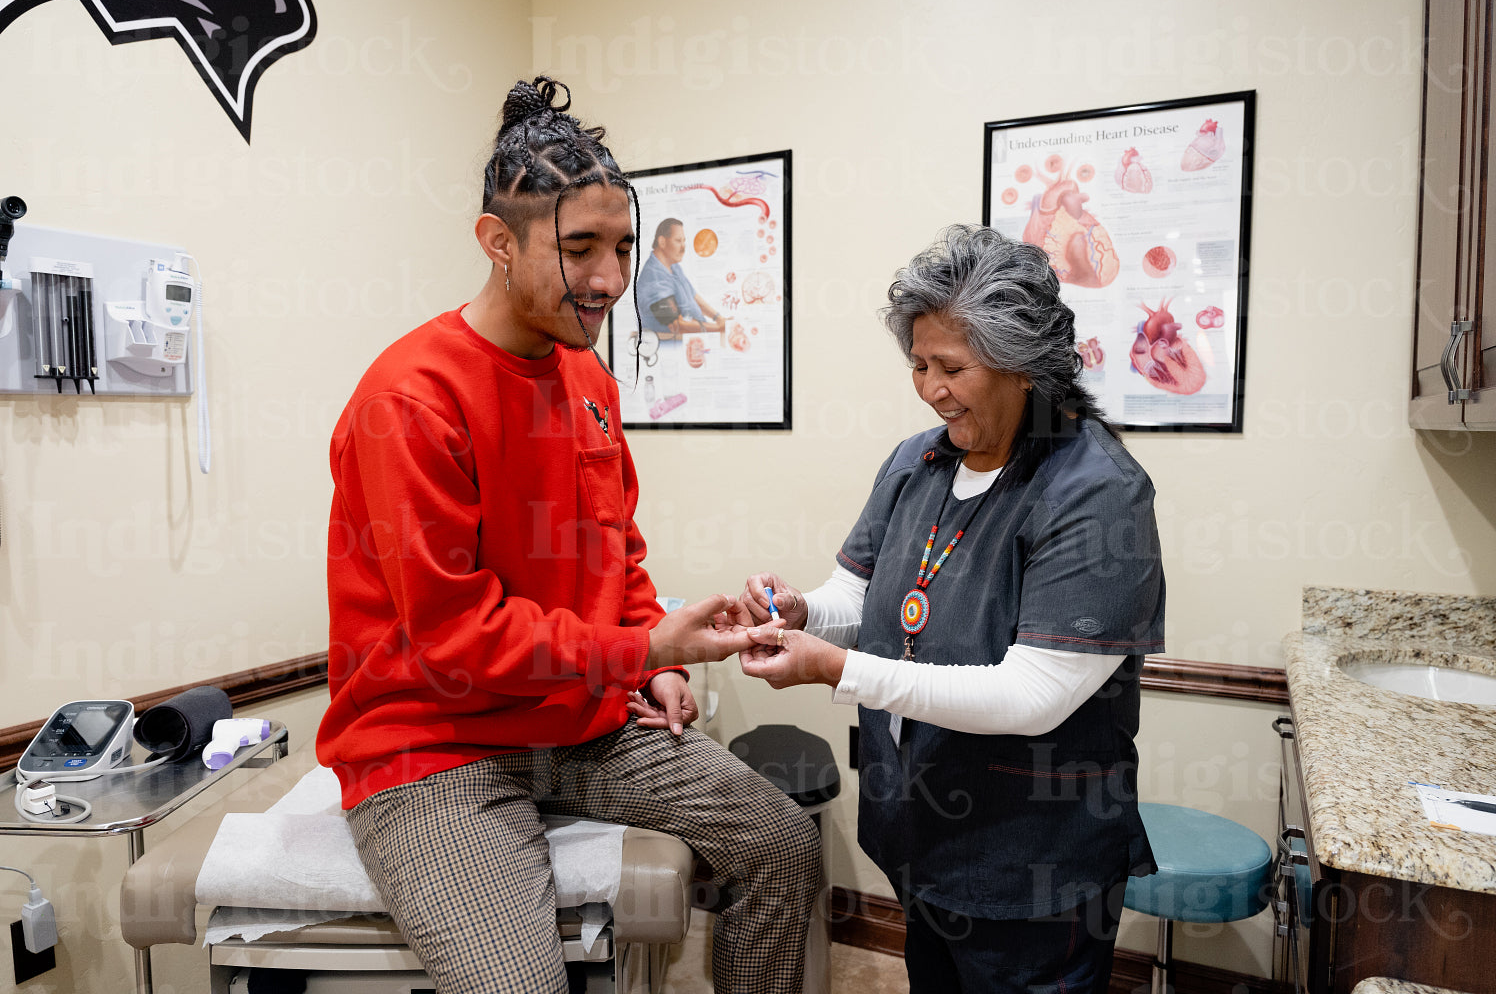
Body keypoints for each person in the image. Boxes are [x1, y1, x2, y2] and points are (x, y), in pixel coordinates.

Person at [316, 76, 819, 994]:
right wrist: (642, 645)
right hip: (433, 746)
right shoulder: (411, 401)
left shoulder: (589, 381)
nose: (610, 279)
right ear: (496, 242)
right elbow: (452, 638)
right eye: (579, 248)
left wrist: (656, 664)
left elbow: (616, 548)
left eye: (624, 247)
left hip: (579, 719)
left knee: (782, 845)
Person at [735, 225, 1164, 993]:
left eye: (952, 368)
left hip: (1032, 863)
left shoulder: (1096, 493)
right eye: (919, 365)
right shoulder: (917, 462)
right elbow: (858, 598)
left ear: (1023, 367)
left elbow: (1031, 695)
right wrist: (802, 612)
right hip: (923, 838)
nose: (931, 388)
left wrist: (837, 668)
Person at [636, 216, 727, 338]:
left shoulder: (674, 267)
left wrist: (718, 317)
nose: (683, 247)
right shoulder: (652, 279)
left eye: (684, 241)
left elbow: (694, 297)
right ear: (662, 242)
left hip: (696, 338)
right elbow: (676, 325)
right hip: (671, 347)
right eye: (678, 241)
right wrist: (718, 328)